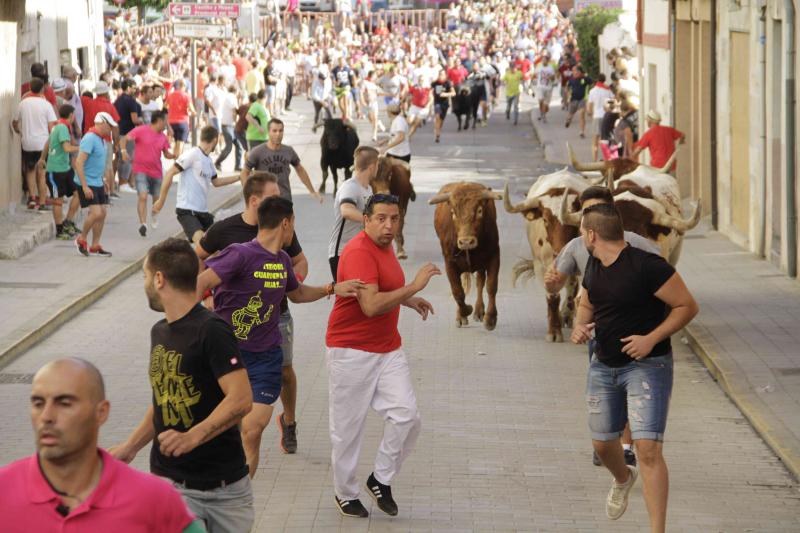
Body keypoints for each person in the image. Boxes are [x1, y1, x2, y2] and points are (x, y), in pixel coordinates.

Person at [196, 196, 364, 477]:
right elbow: (201, 282)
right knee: (227, 429)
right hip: (228, 358)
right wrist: (202, 313)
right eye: (293, 224)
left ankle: (240, 494)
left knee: (252, 429)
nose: (293, 230)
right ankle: (221, 486)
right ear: (286, 223)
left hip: (265, 358)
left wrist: (332, 288)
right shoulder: (240, 254)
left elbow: (296, 293)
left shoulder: (283, 259)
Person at [110, 238, 255, 533]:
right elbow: (165, 399)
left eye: (145, 276)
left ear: (160, 279)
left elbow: (241, 399)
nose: (145, 283)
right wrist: (130, 446)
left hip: (225, 493)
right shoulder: (159, 332)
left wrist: (192, 437)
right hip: (171, 486)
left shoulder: (212, 330)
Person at [571, 204, 698, 532]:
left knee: (648, 449)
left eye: (582, 232)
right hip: (603, 365)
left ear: (591, 234)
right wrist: (580, 326)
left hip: (648, 366)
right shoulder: (594, 266)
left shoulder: (648, 267)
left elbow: (687, 305)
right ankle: (623, 478)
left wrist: (650, 338)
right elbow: (587, 302)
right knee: (602, 443)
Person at [326, 193, 439, 518]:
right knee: (348, 430)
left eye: (394, 218)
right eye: (381, 219)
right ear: (366, 220)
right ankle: (345, 493)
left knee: (408, 416)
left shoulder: (384, 246)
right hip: (350, 351)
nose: (389, 225)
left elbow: (380, 287)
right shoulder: (359, 251)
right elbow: (371, 305)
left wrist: (406, 301)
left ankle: (380, 478)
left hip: (388, 348)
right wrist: (414, 288)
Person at [0, 357, 202, 532]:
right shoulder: (4, 491)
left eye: (64, 403)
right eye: (38, 403)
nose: (46, 417)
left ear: (101, 412)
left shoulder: (155, 500)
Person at [545, 186, 661, 467]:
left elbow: (664, 279)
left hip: (634, 331)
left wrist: (654, 327)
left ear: (612, 213)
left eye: (597, 210)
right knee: (606, 393)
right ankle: (607, 444)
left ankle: (626, 446)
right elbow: (558, 281)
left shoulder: (638, 244)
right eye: (586, 212)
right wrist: (552, 283)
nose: (590, 218)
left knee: (628, 389)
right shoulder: (575, 246)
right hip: (598, 335)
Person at [196, 172, 309, 455]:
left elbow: (299, 266)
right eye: (272, 197)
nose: (277, 202)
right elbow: (198, 258)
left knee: (285, 372)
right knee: (234, 407)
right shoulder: (227, 233)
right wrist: (207, 300)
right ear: (255, 201)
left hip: (277, 316)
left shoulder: (282, 240)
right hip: (234, 336)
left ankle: (289, 421)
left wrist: (285, 281)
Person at [152, 125, 240, 243]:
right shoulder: (192, 154)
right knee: (202, 244)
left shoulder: (208, 161)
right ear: (215, 140)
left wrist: (239, 177)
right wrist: (161, 200)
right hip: (187, 210)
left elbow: (217, 182)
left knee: (215, 248)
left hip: (203, 212)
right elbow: (170, 173)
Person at [241, 118, 322, 203]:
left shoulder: (288, 151)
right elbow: (244, 173)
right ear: (269, 132)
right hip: (265, 201)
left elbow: (300, 169)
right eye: (274, 131)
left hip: (285, 198)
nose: (278, 134)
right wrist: (249, 195)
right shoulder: (257, 151)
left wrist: (312, 191)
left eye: (281, 131)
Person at [328, 146, 379, 279]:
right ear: (372, 166)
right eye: (378, 164)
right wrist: (373, 221)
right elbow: (346, 211)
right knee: (349, 299)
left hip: (358, 251)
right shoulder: (350, 187)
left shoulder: (368, 189)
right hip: (341, 253)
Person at [127, 110, 176, 236]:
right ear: (159, 121)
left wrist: (174, 156)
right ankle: (143, 224)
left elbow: (166, 154)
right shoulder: (141, 130)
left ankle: (154, 214)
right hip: (140, 170)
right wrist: (122, 151)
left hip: (156, 172)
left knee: (157, 199)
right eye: (165, 121)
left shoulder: (163, 137)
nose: (166, 124)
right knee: (142, 196)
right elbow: (126, 138)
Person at [74, 112, 116, 257]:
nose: (111, 129)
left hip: (97, 181)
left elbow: (98, 163)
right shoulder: (90, 138)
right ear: (101, 123)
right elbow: (79, 163)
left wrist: (103, 180)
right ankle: (81, 239)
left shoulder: (102, 140)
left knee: (103, 213)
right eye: (109, 126)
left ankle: (95, 245)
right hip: (87, 181)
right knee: (96, 212)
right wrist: (84, 186)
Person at [13, 77, 57, 210]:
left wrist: (19, 132)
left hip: (28, 142)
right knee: (42, 173)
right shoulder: (47, 105)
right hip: (43, 143)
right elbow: (52, 127)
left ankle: (32, 198)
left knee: (30, 170)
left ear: (30, 88)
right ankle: (42, 203)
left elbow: (15, 122)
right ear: (42, 88)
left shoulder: (23, 103)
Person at [38, 104, 80, 240]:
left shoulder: (58, 125)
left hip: (65, 168)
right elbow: (67, 148)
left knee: (78, 193)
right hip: (56, 171)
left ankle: (67, 222)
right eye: (74, 115)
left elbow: (48, 143)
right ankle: (60, 230)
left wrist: (42, 158)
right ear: (71, 115)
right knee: (58, 201)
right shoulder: (62, 127)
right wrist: (82, 148)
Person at [114, 78, 143, 191]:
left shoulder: (118, 100)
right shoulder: (131, 101)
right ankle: (123, 183)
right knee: (127, 157)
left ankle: (118, 183)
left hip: (119, 131)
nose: (135, 90)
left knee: (119, 158)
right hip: (128, 133)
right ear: (129, 87)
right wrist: (142, 122)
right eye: (134, 87)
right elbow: (135, 119)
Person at [586, 74, 614, 161]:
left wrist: (590, 113)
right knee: (605, 140)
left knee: (595, 141)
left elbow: (589, 107)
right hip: (607, 117)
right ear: (604, 80)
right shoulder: (608, 91)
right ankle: (607, 159)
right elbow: (613, 102)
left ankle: (594, 161)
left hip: (597, 116)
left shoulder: (592, 91)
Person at [165, 79, 195, 156]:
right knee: (180, 144)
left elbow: (164, 107)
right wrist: (193, 113)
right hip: (183, 122)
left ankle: (175, 161)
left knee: (176, 143)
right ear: (184, 86)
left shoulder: (171, 95)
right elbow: (192, 110)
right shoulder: (186, 96)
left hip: (171, 122)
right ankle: (177, 163)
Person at [215, 85, 241, 171]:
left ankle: (238, 165)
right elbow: (235, 111)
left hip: (227, 124)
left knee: (238, 145)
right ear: (236, 91)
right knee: (229, 147)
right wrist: (236, 122)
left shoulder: (227, 96)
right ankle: (218, 162)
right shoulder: (231, 97)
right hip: (228, 125)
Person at [566, 65, 592, 138]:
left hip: (582, 99)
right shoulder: (571, 80)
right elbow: (567, 88)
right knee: (571, 114)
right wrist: (568, 97)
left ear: (580, 72)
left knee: (582, 114)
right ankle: (568, 120)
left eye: (575, 70)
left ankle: (582, 132)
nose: (574, 72)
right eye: (573, 71)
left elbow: (591, 83)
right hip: (573, 99)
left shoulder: (585, 78)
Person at [430, 69, 455, 143]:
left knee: (441, 120)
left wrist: (446, 94)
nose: (441, 76)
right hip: (437, 103)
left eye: (443, 74)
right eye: (440, 74)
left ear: (445, 75)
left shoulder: (448, 83)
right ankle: (437, 136)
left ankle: (438, 130)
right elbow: (431, 91)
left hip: (445, 104)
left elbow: (454, 93)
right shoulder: (435, 83)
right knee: (437, 117)